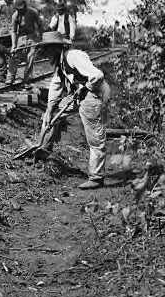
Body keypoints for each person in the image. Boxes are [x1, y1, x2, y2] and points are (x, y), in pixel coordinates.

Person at [38, 31, 111, 190]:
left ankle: (96, 178)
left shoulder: (73, 57)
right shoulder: (60, 64)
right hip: (79, 97)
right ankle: (42, 149)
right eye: (45, 50)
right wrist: (50, 108)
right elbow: (55, 86)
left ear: (57, 48)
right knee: (52, 115)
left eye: (48, 49)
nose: (46, 53)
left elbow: (97, 75)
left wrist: (86, 87)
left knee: (95, 137)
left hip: (93, 96)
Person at [7, 0, 43, 84]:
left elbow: (40, 25)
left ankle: (27, 78)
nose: (19, 11)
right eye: (18, 9)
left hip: (32, 37)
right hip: (21, 37)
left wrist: (40, 38)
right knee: (14, 55)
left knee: (30, 57)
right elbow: (14, 31)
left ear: (25, 7)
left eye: (21, 9)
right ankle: (11, 77)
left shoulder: (33, 12)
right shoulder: (15, 16)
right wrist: (13, 45)